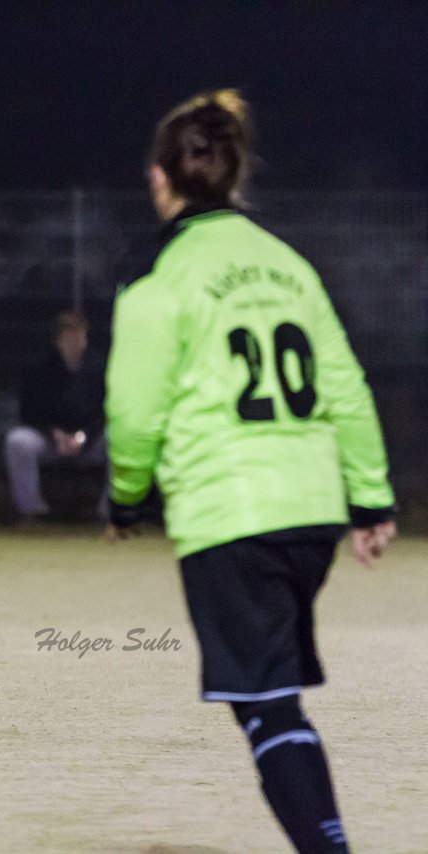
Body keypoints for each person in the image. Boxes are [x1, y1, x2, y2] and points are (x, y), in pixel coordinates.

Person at [104, 90, 396, 853]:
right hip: (312, 511)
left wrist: (125, 497)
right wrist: (370, 501)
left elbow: (134, 412)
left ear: (162, 178)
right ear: (233, 176)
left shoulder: (159, 276)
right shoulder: (287, 263)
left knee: (268, 707)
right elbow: (346, 386)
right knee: (271, 702)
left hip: (232, 516)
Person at [4, 309, 107, 520]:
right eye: (70, 338)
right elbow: (30, 412)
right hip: (49, 441)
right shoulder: (40, 368)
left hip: (89, 441)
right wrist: (55, 435)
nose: (76, 343)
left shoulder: (98, 367)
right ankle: (30, 511)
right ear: (58, 340)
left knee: (123, 442)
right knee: (18, 442)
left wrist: (82, 437)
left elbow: (105, 412)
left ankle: (109, 512)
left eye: (80, 337)